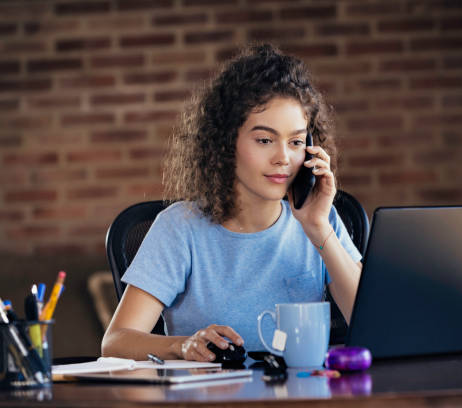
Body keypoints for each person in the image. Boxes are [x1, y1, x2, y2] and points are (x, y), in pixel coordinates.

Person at [101, 44, 363, 362]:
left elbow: (373, 323)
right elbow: (115, 341)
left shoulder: (322, 222)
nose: (283, 157)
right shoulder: (180, 228)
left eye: (295, 142)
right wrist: (180, 346)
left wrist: (318, 229)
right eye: (265, 140)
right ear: (226, 144)